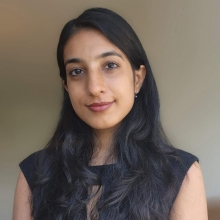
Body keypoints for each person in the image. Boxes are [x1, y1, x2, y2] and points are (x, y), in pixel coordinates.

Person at [13, 8, 208, 220]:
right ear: (66, 86)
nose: (94, 87)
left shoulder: (180, 174)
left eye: (110, 65)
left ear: (138, 78)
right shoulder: (36, 174)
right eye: (77, 71)